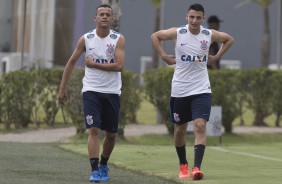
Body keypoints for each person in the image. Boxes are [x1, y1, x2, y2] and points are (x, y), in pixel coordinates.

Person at [151, 3, 234, 180]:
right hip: (180, 89)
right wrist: (164, 56)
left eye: (198, 17)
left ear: (203, 19)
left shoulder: (208, 34)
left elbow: (229, 39)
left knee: (200, 125)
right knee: (180, 129)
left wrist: (217, 57)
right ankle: (183, 165)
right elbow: (155, 36)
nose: (194, 20)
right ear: (186, 17)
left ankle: (196, 168)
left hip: (201, 88)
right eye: (191, 17)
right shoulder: (178, 33)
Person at [58, 4, 125, 183]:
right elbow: (71, 62)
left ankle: (104, 164)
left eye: (108, 15)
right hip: (91, 91)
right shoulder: (86, 39)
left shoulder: (118, 39)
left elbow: (119, 66)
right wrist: (62, 89)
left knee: (111, 134)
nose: (104, 17)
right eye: (101, 14)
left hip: (112, 92)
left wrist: (94, 64)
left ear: (112, 19)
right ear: (95, 18)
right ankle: (95, 170)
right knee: (93, 130)